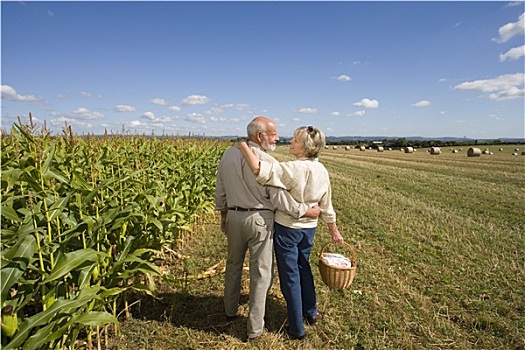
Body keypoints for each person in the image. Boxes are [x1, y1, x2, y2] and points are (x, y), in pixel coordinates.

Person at [214, 117, 320, 342]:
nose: (278, 138)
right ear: (260, 137)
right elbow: (279, 198)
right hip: (260, 219)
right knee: (261, 273)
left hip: (234, 217)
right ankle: (254, 329)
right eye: (273, 135)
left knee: (233, 264)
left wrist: (224, 214)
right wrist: (304, 210)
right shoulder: (267, 162)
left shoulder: (228, 155)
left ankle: (230, 310)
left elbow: (220, 187)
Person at [237, 125, 344, 340]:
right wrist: (334, 230)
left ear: (304, 147)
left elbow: (259, 170)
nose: (290, 142)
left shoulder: (294, 168)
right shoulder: (322, 169)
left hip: (288, 229)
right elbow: (327, 203)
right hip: (309, 231)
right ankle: (311, 312)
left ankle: (296, 329)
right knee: (304, 268)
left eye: (295, 140)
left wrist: (242, 146)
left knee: (290, 277)